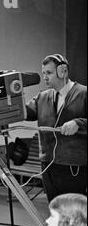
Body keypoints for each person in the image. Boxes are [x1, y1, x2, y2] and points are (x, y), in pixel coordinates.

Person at [26, 54, 87, 202]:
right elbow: (25, 112)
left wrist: (79, 123)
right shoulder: (42, 97)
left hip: (73, 165)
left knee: (72, 213)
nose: (45, 77)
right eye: (43, 73)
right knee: (55, 209)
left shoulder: (83, 93)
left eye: (49, 73)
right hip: (48, 165)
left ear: (63, 71)